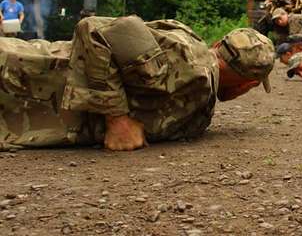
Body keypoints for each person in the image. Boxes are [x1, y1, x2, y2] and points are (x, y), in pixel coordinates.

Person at [0, 16, 275, 151]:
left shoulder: (201, 94)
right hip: (18, 74)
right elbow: (95, 29)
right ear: (246, 84)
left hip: (23, 109)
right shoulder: (187, 58)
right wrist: (116, 119)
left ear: (219, 45)